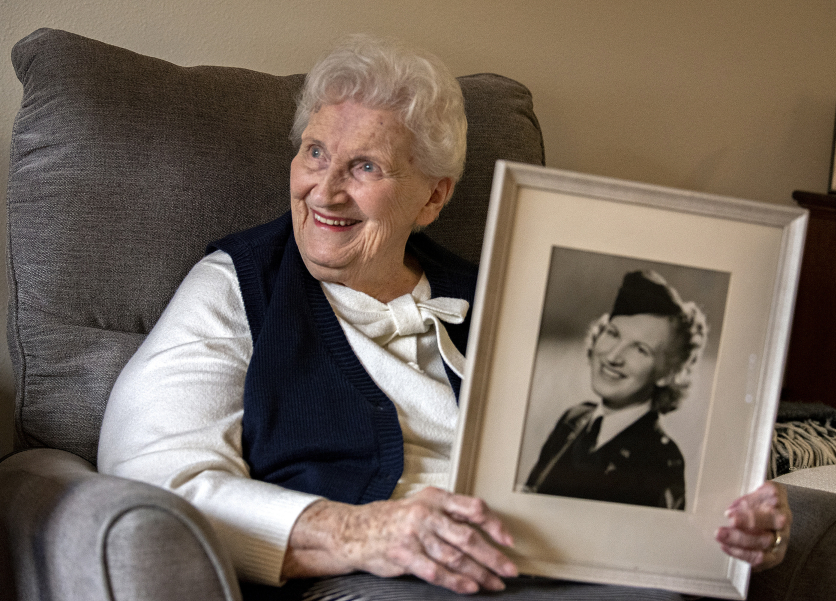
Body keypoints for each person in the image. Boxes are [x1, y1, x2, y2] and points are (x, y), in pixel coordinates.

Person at [97, 34, 792, 599]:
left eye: (364, 166)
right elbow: (154, 476)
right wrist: (357, 532)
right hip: (377, 583)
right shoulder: (240, 284)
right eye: (315, 152)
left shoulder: (500, 288)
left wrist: (726, 517)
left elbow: (612, 453)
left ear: (432, 199)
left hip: (550, 569)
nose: (323, 188)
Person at [525, 270, 705, 510]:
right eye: (612, 333)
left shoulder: (660, 461)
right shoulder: (573, 420)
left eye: (640, 349)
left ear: (669, 373)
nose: (612, 356)